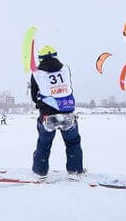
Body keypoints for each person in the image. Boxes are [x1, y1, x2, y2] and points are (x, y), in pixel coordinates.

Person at [30, 45, 84, 181]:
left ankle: (40, 172)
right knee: (73, 143)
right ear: (55, 55)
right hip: (67, 114)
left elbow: (33, 95)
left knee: (44, 144)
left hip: (48, 116)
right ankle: (75, 171)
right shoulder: (65, 69)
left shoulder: (37, 73)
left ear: (40, 58)